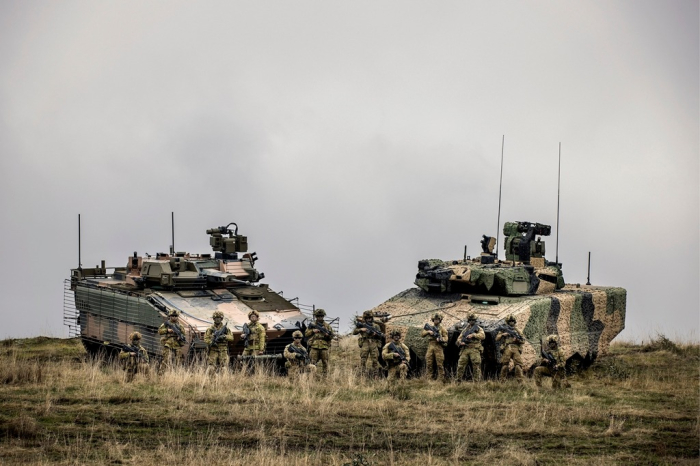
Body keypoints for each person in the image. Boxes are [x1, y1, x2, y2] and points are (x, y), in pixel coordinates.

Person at [353, 311, 384, 377]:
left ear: (372, 318)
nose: (369, 319)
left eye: (370, 318)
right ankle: (362, 374)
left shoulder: (376, 326)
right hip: (365, 342)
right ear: (365, 318)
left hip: (373, 343)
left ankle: (375, 375)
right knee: (363, 359)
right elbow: (354, 332)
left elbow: (380, 336)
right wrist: (361, 329)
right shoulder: (362, 325)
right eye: (367, 318)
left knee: (375, 360)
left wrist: (375, 334)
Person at [455, 314, 485, 382]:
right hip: (465, 349)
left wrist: (473, 335)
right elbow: (459, 338)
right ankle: (458, 381)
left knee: (476, 366)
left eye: (473, 320)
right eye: (470, 320)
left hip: (475, 349)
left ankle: (476, 382)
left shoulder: (478, 328)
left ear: (475, 321)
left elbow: (483, 336)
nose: (471, 321)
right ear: (468, 321)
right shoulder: (465, 329)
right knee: (460, 365)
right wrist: (460, 342)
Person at [304, 308, 334, 375]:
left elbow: (331, 336)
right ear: (315, 316)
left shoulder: (327, 326)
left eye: (321, 316)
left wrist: (327, 335)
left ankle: (325, 376)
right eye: (318, 316)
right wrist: (313, 331)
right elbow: (306, 334)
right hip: (314, 346)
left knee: (325, 363)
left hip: (324, 346)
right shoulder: (313, 325)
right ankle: (311, 376)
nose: (320, 318)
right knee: (312, 362)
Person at [496, 314, 525, 382]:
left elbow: (523, 340)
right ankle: (502, 381)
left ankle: (520, 381)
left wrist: (517, 340)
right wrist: (503, 334)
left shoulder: (518, 330)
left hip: (515, 348)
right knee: (505, 364)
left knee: (518, 365)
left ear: (515, 322)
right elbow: (497, 338)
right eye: (510, 321)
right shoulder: (504, 329)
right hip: (507, 347)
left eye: (513, 321)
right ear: (508, 322)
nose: (511, 323)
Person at [157, 309, 186, 374]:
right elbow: (159, 331)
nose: (174, 317)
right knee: (166, 359)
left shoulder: (180, 326)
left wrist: (180, 337)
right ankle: (161, 374)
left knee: (179, 360)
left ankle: (178, 374)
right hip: (168, 343)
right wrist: (167, 330)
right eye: (173, 316)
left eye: (176, 316)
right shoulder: (166, 324)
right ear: (170, 316)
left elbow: (183, 334)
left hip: (177, 344)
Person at [421, 313, 448, 381]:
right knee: (429, 363)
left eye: (438, 319)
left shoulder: (442, 329)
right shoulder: (430, 328)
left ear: (440, 320)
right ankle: (429, 378)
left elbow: (446, 338)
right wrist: (428, 332)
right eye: (435, 319)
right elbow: (422, 334)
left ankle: (441, 379)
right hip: (430, 346)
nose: (436, 321)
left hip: (438, 347)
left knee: (440, 364)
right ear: (433, 320)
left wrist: (441, 339)